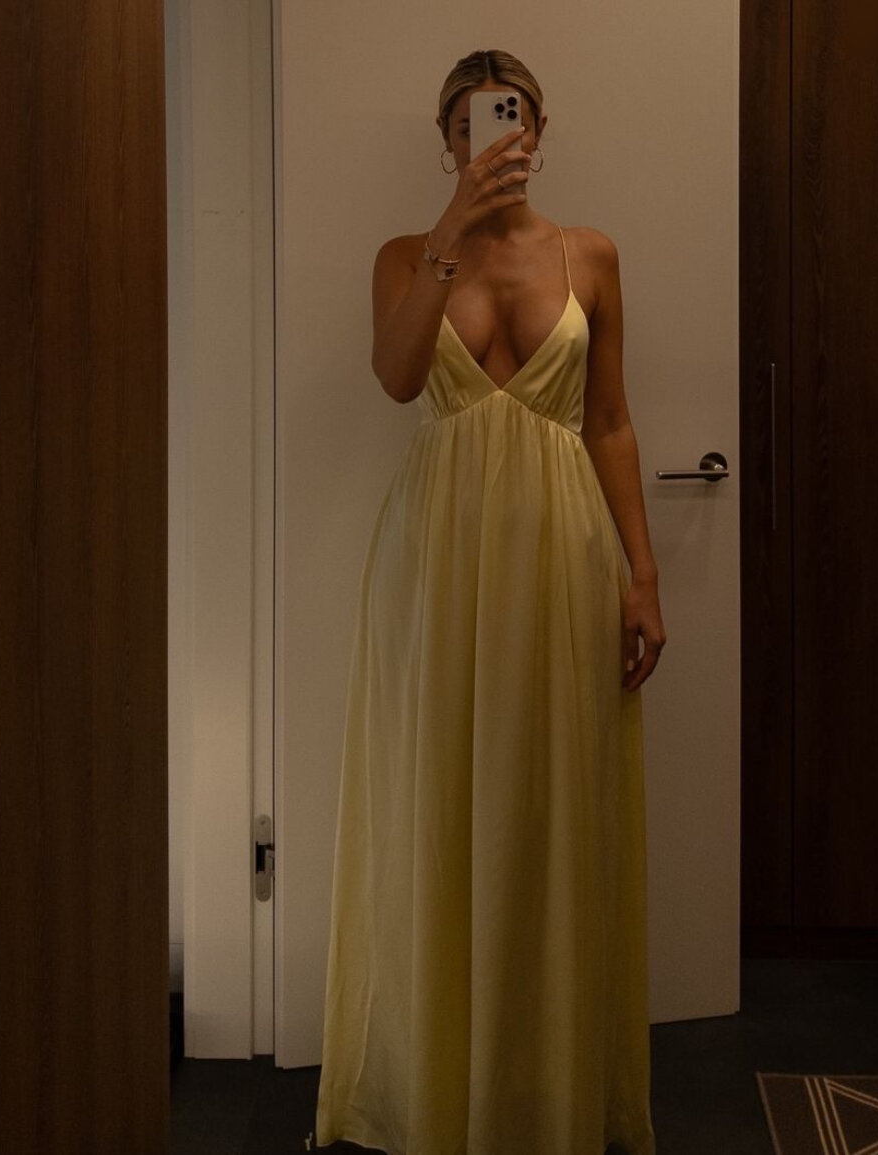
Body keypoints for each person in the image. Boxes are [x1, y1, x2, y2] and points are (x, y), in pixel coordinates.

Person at [315, 49, 664, 1155]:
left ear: (538, 131)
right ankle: (429, 1083)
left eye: (509, 119)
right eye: (470, 124)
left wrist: (643, 574)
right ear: (449, 142)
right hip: (437, 556)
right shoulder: (405, 255)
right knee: (435, 799)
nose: (492, 138)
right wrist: (449, 231)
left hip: (562, 550)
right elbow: (396, 378)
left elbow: (609, 420)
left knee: (552, 805)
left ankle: (542, 1089)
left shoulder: (590, 254)